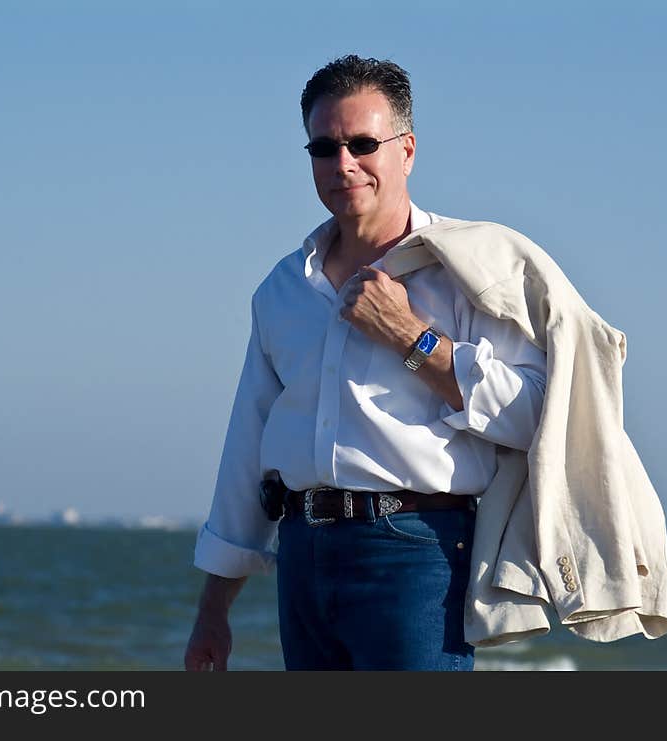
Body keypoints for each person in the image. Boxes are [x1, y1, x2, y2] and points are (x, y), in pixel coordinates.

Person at [184, 55, 548, 671]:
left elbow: (533, 414)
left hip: (416, 554)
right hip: (301, 555)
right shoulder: (283, 289)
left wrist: (412, 337)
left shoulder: (471, 271)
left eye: (363, 143)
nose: (343, 163)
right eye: (324, 147)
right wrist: (213, 607)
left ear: (406, 150)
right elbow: (250, 443)